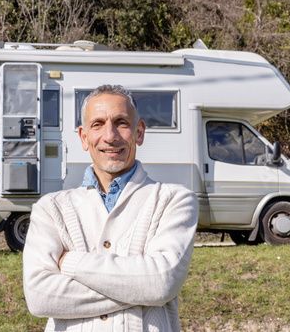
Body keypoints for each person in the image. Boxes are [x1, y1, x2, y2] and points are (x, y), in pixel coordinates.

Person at [23, 84, 199, 332]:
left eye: (121, 123)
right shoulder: (51, 208)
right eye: (98, 124)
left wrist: (72, 263)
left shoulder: (174, 200)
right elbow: (39, 297)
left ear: (139, 132)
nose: (110, 136)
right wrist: (139, 289)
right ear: (84, 138)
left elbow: (162, 283)